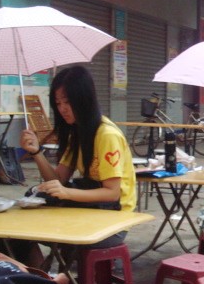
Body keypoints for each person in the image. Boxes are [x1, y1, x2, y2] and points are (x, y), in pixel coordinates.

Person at [19, 65, 136, 248]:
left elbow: (112, 193)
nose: (62, 109)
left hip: (114, 220)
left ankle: (56, 268)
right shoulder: (78, 133)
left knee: (39, 227)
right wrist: (36, 152)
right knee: (33, 198)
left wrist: (67, 193)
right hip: (92, 209)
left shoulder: (106, 135)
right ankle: (41, 267)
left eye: (67, 102)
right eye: (58, 103)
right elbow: (58, 179)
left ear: (83, 99)